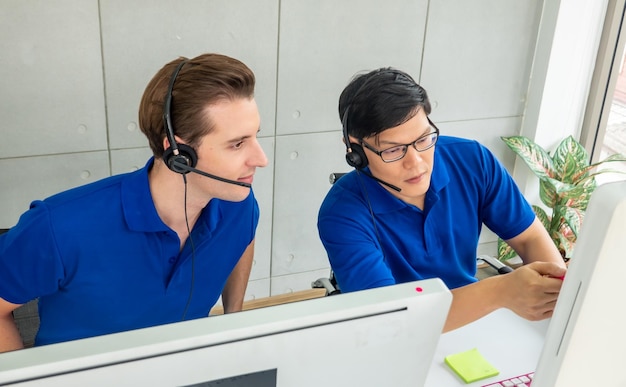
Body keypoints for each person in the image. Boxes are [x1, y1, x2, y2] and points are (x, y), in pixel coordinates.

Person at [0, 53, 268, 351]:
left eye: (256, 136)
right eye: (238, 144)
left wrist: (234, 317)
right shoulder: (58, 227)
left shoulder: (238, 203)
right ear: (180, 154)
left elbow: (243, 238)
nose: (261, 159)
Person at [317, 67, 567, 332]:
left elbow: (530, 239)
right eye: (393, 150)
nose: (416, 164)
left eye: (423, 139)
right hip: (397, 337)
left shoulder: (472, 160)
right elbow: (388, 321)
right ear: (355, 151)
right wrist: (499, 291)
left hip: (473, 321)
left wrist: (559, 299)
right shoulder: (340, 214)